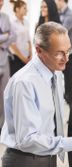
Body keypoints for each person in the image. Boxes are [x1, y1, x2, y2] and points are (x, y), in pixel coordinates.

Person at [1, 22, 72, 167]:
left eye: (68, 51)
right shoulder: (24, 83)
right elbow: (27, 140)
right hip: (25, 160)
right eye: (59, 53)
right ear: (39, 50)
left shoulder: (57, 75)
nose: (66, 58)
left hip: (49, 156)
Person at [55, 0, 72, 105]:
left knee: (68, 79)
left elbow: (61, 32)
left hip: (68, 53)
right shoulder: (60, 14)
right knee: (62, 78)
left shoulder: (70, 15)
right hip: (59, 52)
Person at [0, 0, 16, 132]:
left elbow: (13, 36)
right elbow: (7, 35)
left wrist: (3, 42)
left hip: (4, 58)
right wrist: (4, 36)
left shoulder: (5, 17)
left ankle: (3, 125)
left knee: (4, 94)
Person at [9, 0, 32, 76]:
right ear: (17, 9)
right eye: (24, 8)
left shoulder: (26, 22)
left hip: (27, 58)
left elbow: (29, 40)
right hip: (16, 58)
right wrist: (23, 58)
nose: (27, 10)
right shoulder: (11, 23)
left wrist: (30, 54)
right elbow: (12, 44)